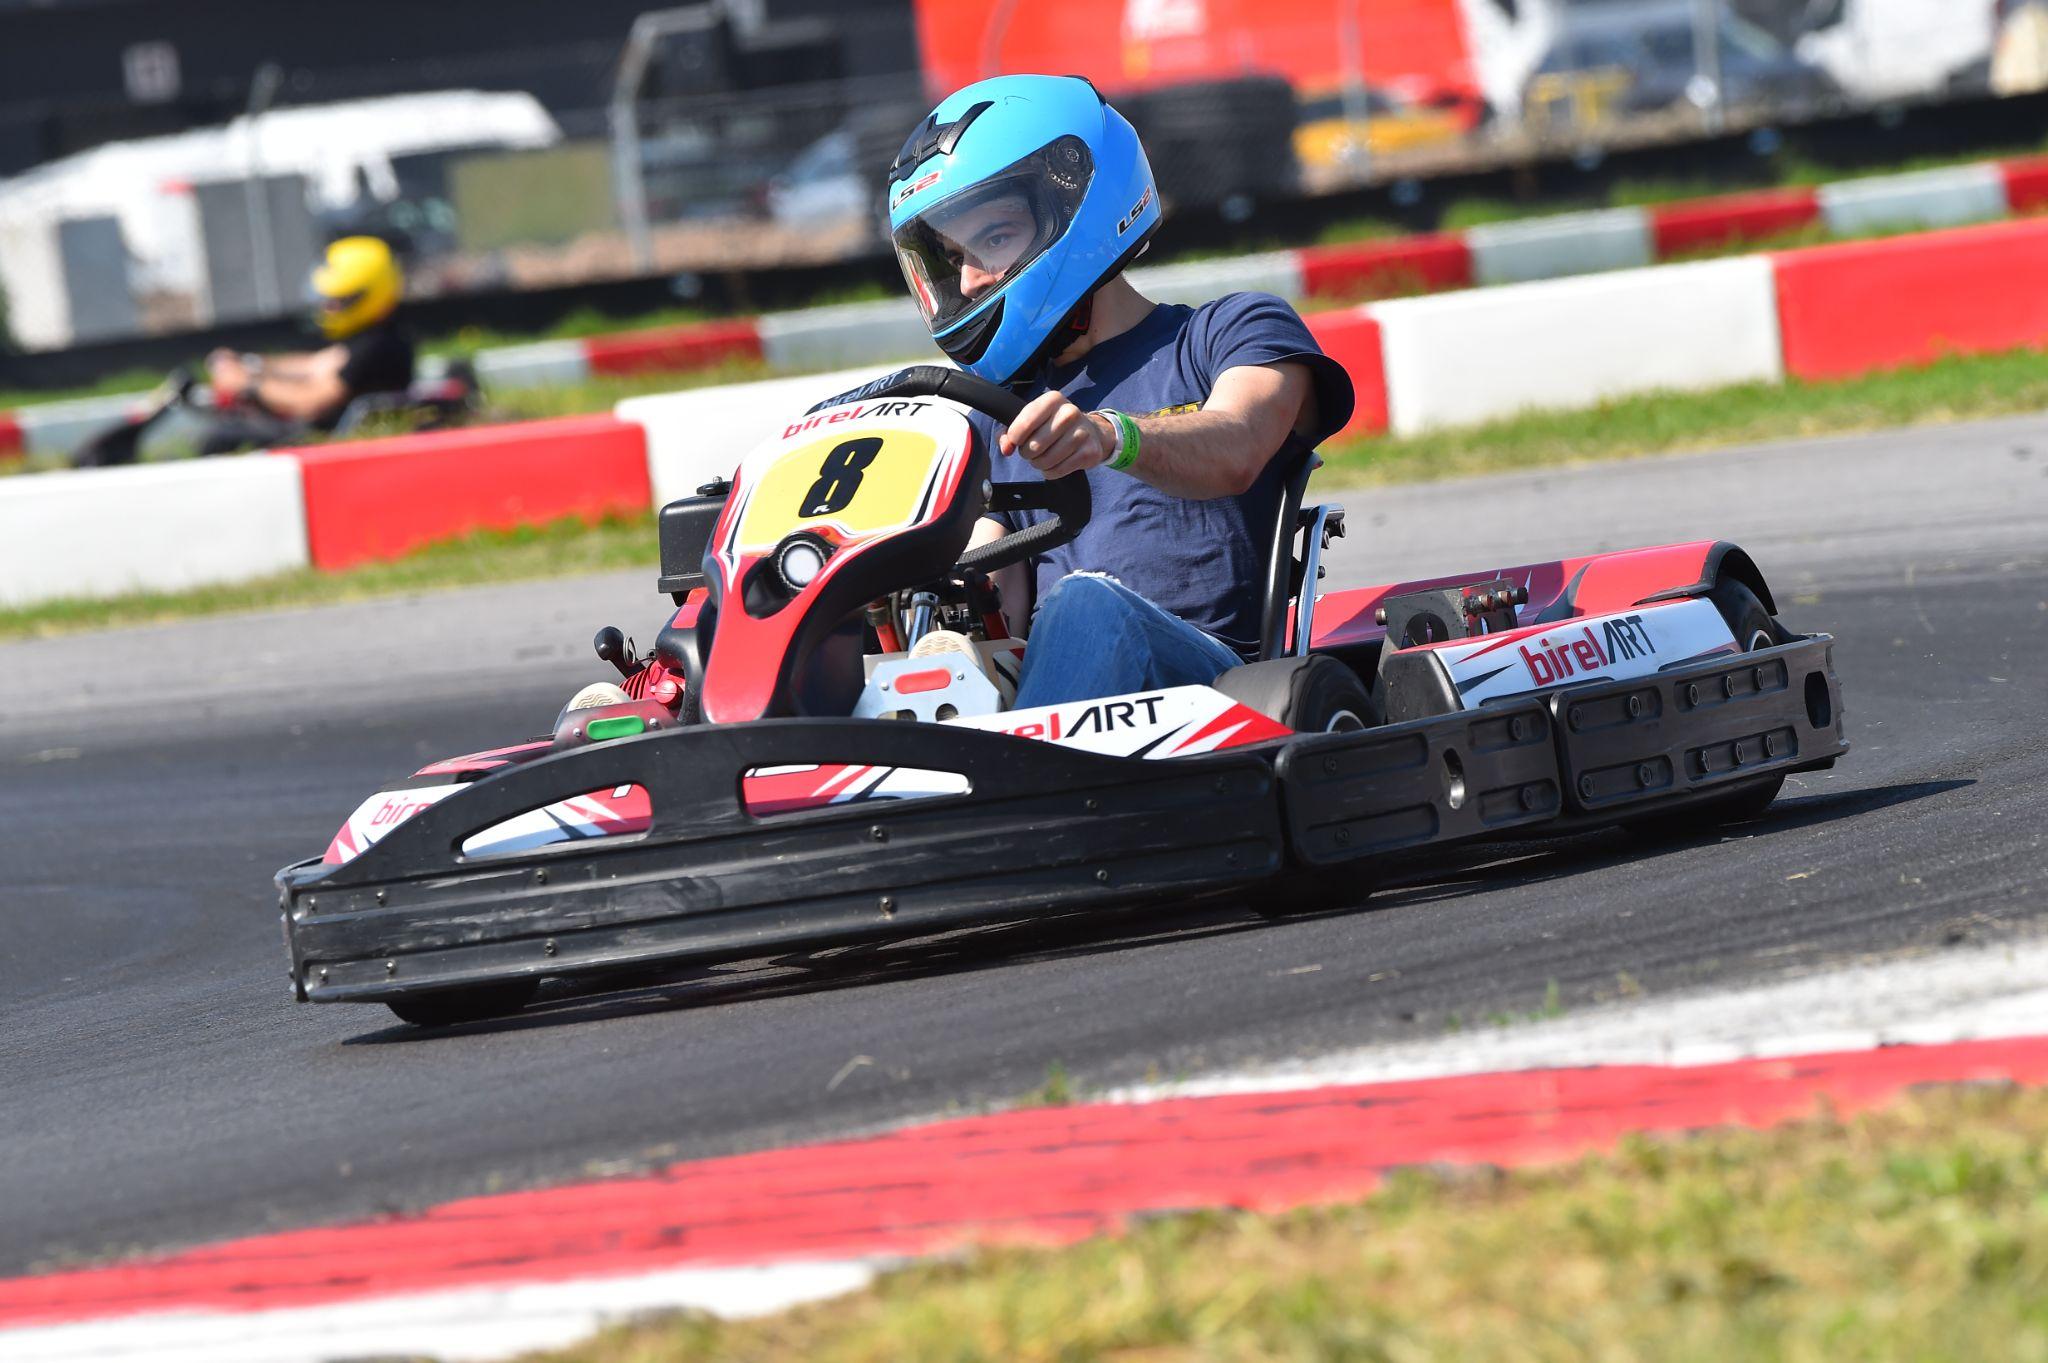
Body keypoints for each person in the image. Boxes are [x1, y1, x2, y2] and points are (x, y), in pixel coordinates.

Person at [885, 73, 1355, 708]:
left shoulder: (1230, 330)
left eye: (993, 240)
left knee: (1086, 601)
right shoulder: (998, 413)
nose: (968, 282)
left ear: (1078, 213)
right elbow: (991, 581)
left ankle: (1022, 770)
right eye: (954, 257)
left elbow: (1240, 443)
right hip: (1060, 691)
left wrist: (1113, 436)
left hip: (1213, 686)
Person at [199, 236, 416, 454]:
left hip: (335, 449)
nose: (328, 308)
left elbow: (310, 401)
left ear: (363, 296)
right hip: (330, 442)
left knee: (220, 437)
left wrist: (249, 384)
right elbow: (314, 365)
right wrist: (250, 363)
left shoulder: (379, 346)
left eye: (338, 301)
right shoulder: (371, 338)